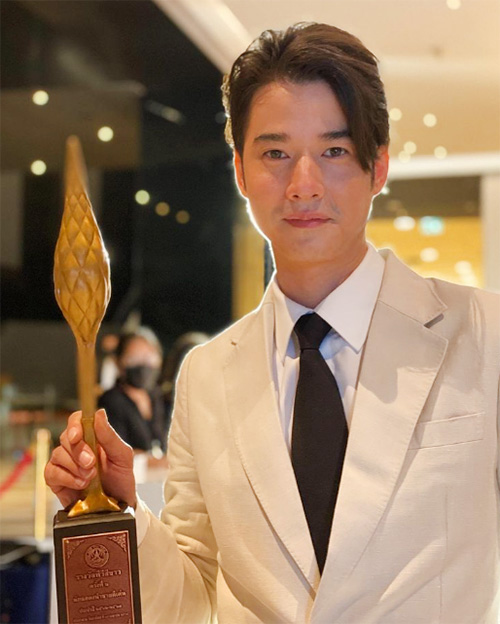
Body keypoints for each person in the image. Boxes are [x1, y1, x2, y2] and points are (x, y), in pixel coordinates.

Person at [45, 23, 500, 623]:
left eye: (334, 151)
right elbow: (192, 593)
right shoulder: (208, 376)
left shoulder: (484, 333)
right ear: (240, 171)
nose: (303, 185)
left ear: (378, 165)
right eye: (275, 154)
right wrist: (119, 511)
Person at [98, 327, 169, 455]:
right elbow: (115, 450)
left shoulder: (158, 397)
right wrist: (153, 461)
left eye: (149, 357)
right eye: (134, 358)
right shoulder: (111, 400)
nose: (143, 364)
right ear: (119, 361)